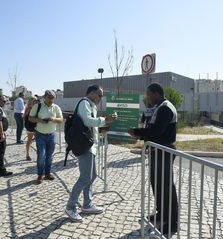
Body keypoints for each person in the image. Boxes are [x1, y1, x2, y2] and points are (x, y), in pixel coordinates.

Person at [128, 83, 178, 234]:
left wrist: (138, 132)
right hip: (157, 151)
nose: (148, 97)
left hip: (164, 151)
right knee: (157, 184)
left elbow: (157, 130)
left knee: (166, 187)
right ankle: (162, 213)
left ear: (156, 93)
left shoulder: (165, 108)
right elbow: (152, 128)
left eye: (149, 94)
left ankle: (172, 222)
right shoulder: (159, 107)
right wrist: (142, 132)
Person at [65, 85, 117, 222]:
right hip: (84, 146)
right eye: (100, 95)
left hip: (90, 145)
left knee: (92, 176)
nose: (101, 98)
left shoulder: (90, 105)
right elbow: (88, 121)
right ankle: (70, 207)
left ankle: (87, 204)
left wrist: (101, 127)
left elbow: (88, 125)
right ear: (92, 93)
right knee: (85, 178)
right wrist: (105, 120)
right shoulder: (84, 103)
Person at [29, 90, 63, 184]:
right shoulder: (38, 106)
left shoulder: (56, 107)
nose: (51, 99)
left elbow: (60, 120)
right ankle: (40, 174)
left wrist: (53, 119)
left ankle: (47, 173)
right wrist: (40, 120)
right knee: (41, 155)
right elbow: (30, 118)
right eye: (49, 97)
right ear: (45, 97)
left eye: (52, 98)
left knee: (49, 156)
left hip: (51, 135)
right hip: (40, 134)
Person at [24, 97, 38, 161]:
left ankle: (39, 152)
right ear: (31, 101)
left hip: (36, 126)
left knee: (38, 140)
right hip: (30, 126)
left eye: (36, 100)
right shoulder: (28, 108)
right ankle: (27, 154)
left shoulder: (36, 107)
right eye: (34, 100)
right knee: (29, 141)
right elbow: (24, 117)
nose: (35, 101)